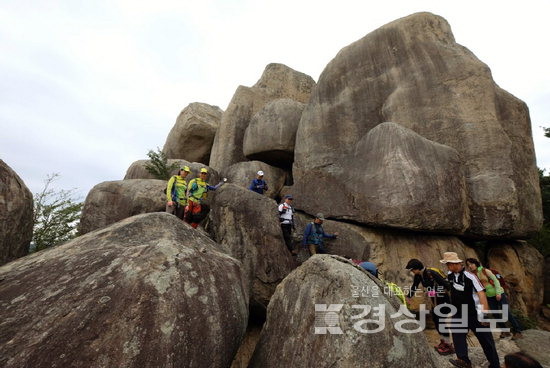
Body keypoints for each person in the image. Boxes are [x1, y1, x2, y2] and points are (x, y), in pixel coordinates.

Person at [441, 252, 500, 368]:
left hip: (475, 313)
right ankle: (464, 361)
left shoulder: (470, 276)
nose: (447, 267)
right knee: (457, 334)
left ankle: (495, 364)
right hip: (459, 312)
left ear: (454, 264)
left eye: (448, 264)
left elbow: (482, 294)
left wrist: (485, 315)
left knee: (486, 340)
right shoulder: (450, 275)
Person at [465, 258, 523, 340]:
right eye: (468, 265)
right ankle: (505, 331)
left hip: (499, 294)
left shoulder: (485, 271)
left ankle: (518, 331)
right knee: (496, 314)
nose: (470, 266)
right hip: (489, 297)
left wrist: (498, 293)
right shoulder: (472, 275)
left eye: (471, 264)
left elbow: (496, 281)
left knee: (506, 312)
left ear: (476, 263)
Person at [405, 258, 454, 355]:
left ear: (417, 268)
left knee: (440, 320)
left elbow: (447, 285)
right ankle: (444, 341)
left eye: (412, 270)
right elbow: (414, 286)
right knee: (436, 320)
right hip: (434, 301)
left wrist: (436, 292)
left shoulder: (431, 273)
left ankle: (448, 345)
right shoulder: (419, 276)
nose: (412, 272)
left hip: (444, 300)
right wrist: (408, 297)